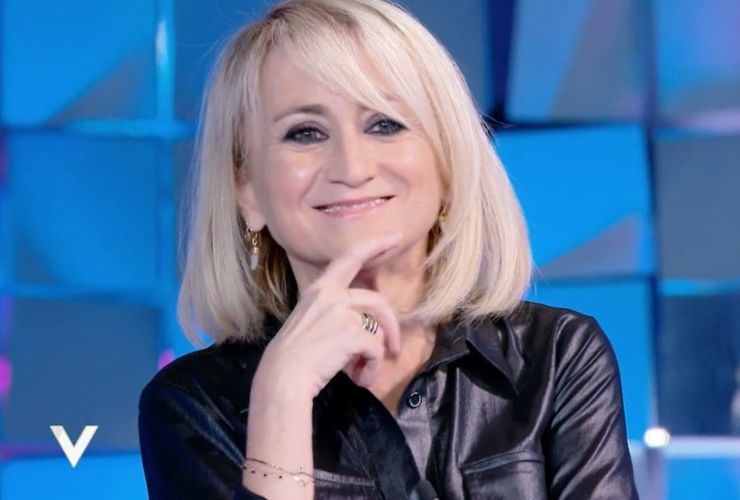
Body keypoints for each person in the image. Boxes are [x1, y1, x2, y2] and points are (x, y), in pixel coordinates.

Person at [138, 0, 639, 498]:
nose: (352, 167)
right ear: (247, 191)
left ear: (448, 165)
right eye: (304, 133)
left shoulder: (556, 355)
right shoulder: (193, 404)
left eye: (385, 124)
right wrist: (281, 399)